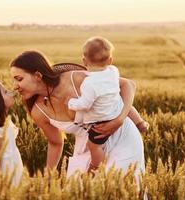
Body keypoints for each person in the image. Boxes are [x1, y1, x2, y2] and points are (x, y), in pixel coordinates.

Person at [9, 50, 145, 183]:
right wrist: (48, 176)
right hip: (87, 148)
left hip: (121, 137)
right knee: (81, 192)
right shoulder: (38, 111)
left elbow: (128, 84)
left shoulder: (75, 79)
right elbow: (55, 143)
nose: (15, 86)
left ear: (37, 75)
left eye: (19, 79)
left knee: (121, 189)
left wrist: (119, 120)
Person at [67, 36, 149, 171]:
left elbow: (85, 104)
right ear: (110, 60)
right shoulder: (113, 71)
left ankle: (95, 166)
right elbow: (126, 85)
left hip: (102, 120)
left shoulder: (89, 83)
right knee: (122, 102)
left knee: (94, 146)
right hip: (116, 110)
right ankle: (139, 123)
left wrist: (72, 103)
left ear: (84, 61)